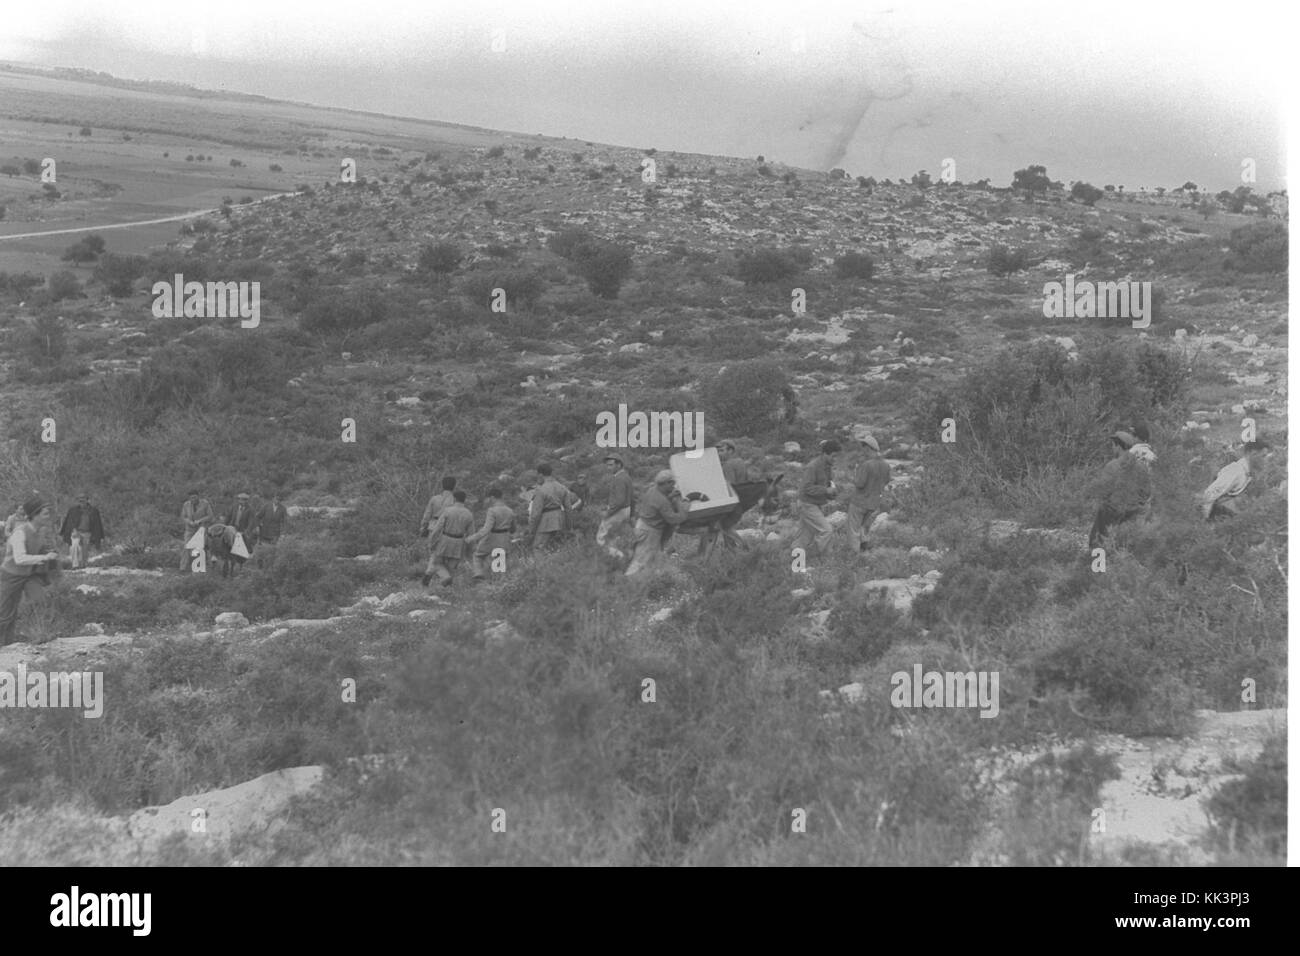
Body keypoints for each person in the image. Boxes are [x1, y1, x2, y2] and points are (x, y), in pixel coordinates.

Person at [0, 498, 61, 645]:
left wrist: (52, 558)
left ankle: (39, 634)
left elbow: (42, 550)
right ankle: (5, 646)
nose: (48, 516)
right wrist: (44, 557)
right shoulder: (19, 533)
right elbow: (20, 559)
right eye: (45, 514)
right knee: (6, 614)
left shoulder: (41, 531)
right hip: (10, 576)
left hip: (29, 575)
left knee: (40, 601)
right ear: (35, 515)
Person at [1088, 431, 1153, 549]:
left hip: (1115, 512)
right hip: (1135, 512)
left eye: (1113, 445)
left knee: (1098, 527)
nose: (1112, 449)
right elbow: (1147, 492)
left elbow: (1103, 491)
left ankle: (1097, 559)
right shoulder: (1141, 467)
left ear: (1118, 446)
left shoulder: (1112, 466)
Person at [625, 469, 690, 576]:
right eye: (672, 483)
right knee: (641, 560)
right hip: (650, 532)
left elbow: (660, 503)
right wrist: (684, 509)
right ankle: (627, 582)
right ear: (666, 483)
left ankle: (645, 583)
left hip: (642, 526)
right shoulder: (661, 501)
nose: (674, 486)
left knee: (648, 559)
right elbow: (674, 519)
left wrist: (670, 496)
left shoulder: (653, 490)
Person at [791, 440, 839, 558]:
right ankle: (817, 556)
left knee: (804, 537)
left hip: (814, 504)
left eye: (836, 456)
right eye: (833, 456)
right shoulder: (812, 467)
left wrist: (831, 493)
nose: (835, 459)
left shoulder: (827, 467)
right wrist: (825, 491)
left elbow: (826, 485)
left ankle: (794, 560)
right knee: (827, 530)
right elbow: (806, 488)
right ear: (825, 454)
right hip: (807, 504)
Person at [847, 430, 892, 553]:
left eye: (864, 447)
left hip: (859, 502)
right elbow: (887, 481)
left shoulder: (866, 465)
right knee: (863, 527)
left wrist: (853, 477)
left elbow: (860, 483)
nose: (863, 450)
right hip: (873, 503)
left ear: (869, 448)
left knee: (853, 530)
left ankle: (855, 555)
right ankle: (865, 549)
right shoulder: (886, 465)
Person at [1202, 441, 1270, 521]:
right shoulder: (1235, 470)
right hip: (1215, 516)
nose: (1266, 461)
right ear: (1253, 454)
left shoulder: (1246, 471)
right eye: (1263, 456)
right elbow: (1209, 494)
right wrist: (1204, 521)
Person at [424, 490, 475, 587]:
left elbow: (437, 529)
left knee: (436, 563)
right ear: (464, 500)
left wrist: (431, 542)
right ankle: (447, 590)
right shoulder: (469, 514)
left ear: (455, 499)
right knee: (451, 568)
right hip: (459, 543)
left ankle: (445, 578)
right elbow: (471, 534)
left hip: (445, 540)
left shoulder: (447, 511)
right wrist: (470, 549)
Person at [469, 487, 515, 581]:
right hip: (505, 540)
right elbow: (513, 529)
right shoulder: (510, 511)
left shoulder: (492, 510)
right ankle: (502, 583)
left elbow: (486, 529)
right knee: (500, 564)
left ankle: (479, 573)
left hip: (492, 539)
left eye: (489, 498)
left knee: (477, 556)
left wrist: (472, 538)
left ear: (492, 497)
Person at [527, 464, 576, 551]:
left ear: (541, 475)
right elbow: (568, 509)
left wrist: (531, 531)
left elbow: (536, 514)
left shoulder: (541, 490)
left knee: (538, 549)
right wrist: (569, 527)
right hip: (560, 521)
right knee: (558, 549)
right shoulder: (562, 487)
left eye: (538, 475)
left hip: (545, 522)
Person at [596, 455, 635, 558]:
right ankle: (623, 557)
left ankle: (615, 558)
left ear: (619, 465)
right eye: (607, 465)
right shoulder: (626, 476)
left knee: (601, 537)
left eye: (611, 465)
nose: (608, 468)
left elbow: (619, 501)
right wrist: (632, 515)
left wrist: (607, 513)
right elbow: (631, 497)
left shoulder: (619, 478)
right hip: (626, 510)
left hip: (619, 511)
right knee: (616, 536)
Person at [59, 493, 106, 570]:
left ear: (87, 500)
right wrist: (72, 531)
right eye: (79, 500)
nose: (81, 501)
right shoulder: (73, 510)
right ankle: (75, 565)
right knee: (74, 546)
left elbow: (98, 524)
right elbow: (69, 522)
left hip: (87, 532)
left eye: (83, 499)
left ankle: (83, 565)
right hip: (76, 532)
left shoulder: (93, 511)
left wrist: (99, 536)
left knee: (84, 550)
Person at [180, 490, 214, 572]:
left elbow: (210, 516)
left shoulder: (205, 503)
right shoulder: (186, 504)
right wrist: (189, 522)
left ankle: (199, 568)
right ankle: (182, 568)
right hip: (189, 529)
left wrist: (200, 521)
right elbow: (183, 517)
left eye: (194, 497)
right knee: (186, 547)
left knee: (199, 548)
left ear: (198, 496)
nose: (193, 499)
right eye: (191, 498)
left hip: (200, 529)